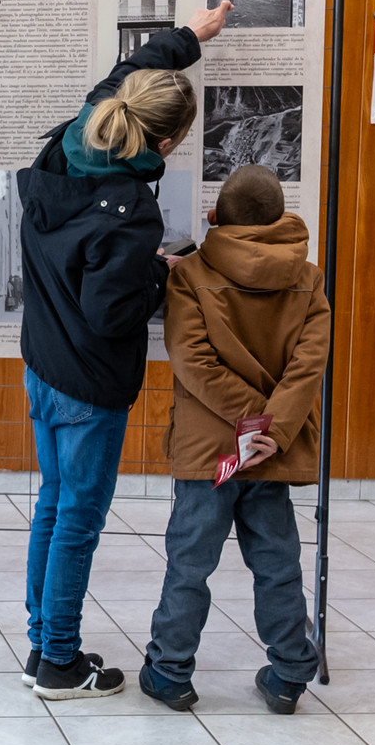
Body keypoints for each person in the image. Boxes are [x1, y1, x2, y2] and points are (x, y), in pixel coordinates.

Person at [17, 0, 232, 700]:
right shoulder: (130, 210)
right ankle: (58, 661)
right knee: (77, 519)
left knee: (53, 506)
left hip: (41, 364)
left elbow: (129, 70)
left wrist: (187, 39)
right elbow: (111, 313)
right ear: (165, 147)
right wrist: (157, 274)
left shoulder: (71, 140)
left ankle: (40, 643)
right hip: (86, 384)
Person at [140, 165, 330, 714]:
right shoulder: (310, 278)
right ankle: (290, 671)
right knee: (277, 563)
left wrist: (249, 424)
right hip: (274, 451)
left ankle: (171, 671)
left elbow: (193, 362)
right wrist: (272, 428)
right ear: (281, 220)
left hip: (209, 453)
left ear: (214, 217)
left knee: (190, 565)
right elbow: (308, 365)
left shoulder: (190, 274)